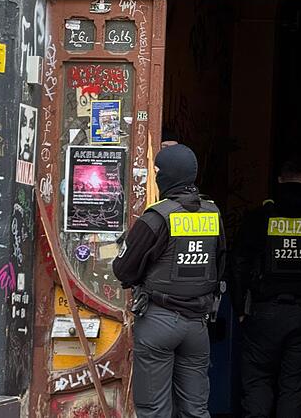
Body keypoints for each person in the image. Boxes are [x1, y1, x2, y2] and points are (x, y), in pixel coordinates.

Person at [113, 144, 227, 418]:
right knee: (195, 409)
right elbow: (220, 264)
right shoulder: (213, 214)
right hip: (197, 326)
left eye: (158, 172)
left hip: (159, 321)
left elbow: (124, 270)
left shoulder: (157, 216)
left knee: (154, 410)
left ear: (165, 177)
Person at [231, 155, 301, 417]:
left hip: (261, 313)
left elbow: (237, 264)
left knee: (257, 384)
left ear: (279, 179)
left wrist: (239, 309)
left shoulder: (258, 218)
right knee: (295, 389)